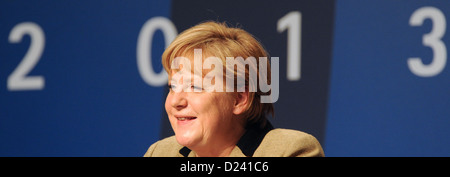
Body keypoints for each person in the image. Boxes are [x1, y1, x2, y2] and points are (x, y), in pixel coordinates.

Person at [144, 21, 324, 157]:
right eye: (173, 87)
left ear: (239, 99)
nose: (175, 101)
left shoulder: (290, 150)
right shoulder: (160, 152)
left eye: (194, 86)